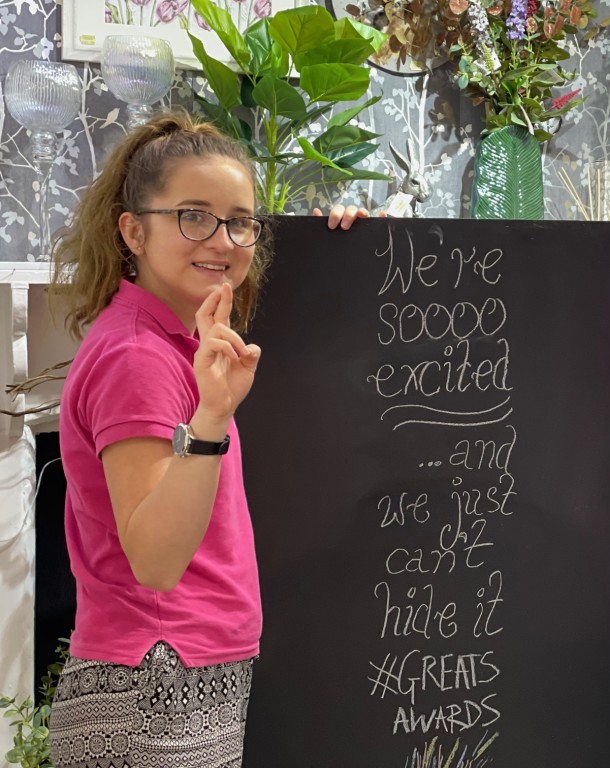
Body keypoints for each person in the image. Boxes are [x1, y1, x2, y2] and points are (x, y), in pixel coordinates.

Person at [47, 110, 369, 768]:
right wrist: (211, 422)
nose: (221, 240)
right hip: (155, 679)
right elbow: (156, 561)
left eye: (240, 221)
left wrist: (350, 252)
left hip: (176, 672)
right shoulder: (137, 357)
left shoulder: (178, 338)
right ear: (132, 230)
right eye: (193, 215)